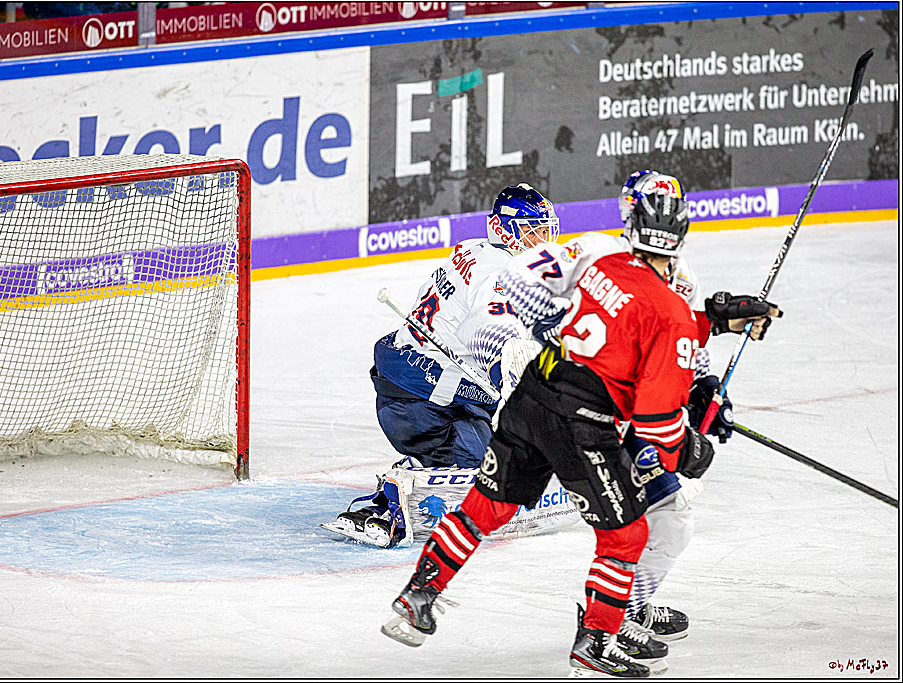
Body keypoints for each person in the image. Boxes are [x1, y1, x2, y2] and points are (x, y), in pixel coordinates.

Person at [380, 190, 782, 678]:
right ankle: (596, 644)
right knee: (627, 533)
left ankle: (418, 597)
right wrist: (689, 451)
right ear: (679, 243)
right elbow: (657, 425)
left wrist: (710, 324)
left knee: (486, 507)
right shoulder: (674, 314)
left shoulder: (596, 248)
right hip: (581, 424)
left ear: (631, 228)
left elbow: (520, 280)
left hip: (532, 394)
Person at [321, 183, 559, 548]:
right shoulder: (499, 274)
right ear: (504, 230)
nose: (543, 241)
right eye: (533, 232)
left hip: (415, 378)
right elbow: (487, 331)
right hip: (419, 397)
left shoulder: (471, 250)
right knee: (490, 472)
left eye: (546, 230)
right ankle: (393, 498)